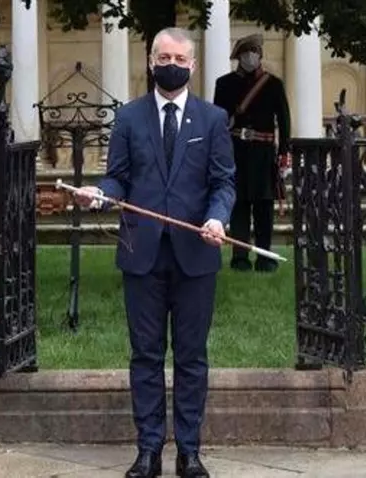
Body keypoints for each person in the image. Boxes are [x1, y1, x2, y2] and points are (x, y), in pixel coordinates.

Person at [73, 27, 236, 478]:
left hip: (195, 253)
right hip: (141, 252)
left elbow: (223, 182)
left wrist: (218, 218)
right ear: (150, 61)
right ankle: (148, 451)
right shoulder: (128, 118)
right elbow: (118, 178)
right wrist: (101, 196)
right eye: (164, 57)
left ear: (193, 65)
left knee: (191, 357)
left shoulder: (213, 119)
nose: (172, 65)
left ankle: (189, 452)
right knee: (145, 355)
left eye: (180, 59)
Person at [213, 33, 291, 273]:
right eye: (247, 52)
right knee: (239, 205)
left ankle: (265, 257)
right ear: (239, 56)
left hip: (264, 153)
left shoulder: (273, 84)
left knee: (264, 207)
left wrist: (284, 152)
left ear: (260, 55)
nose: (251, 56)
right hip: (236, 152)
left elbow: (284, 120)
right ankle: (240, 257)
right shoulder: (224, 84)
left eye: (255, 52)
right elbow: (219, 121)